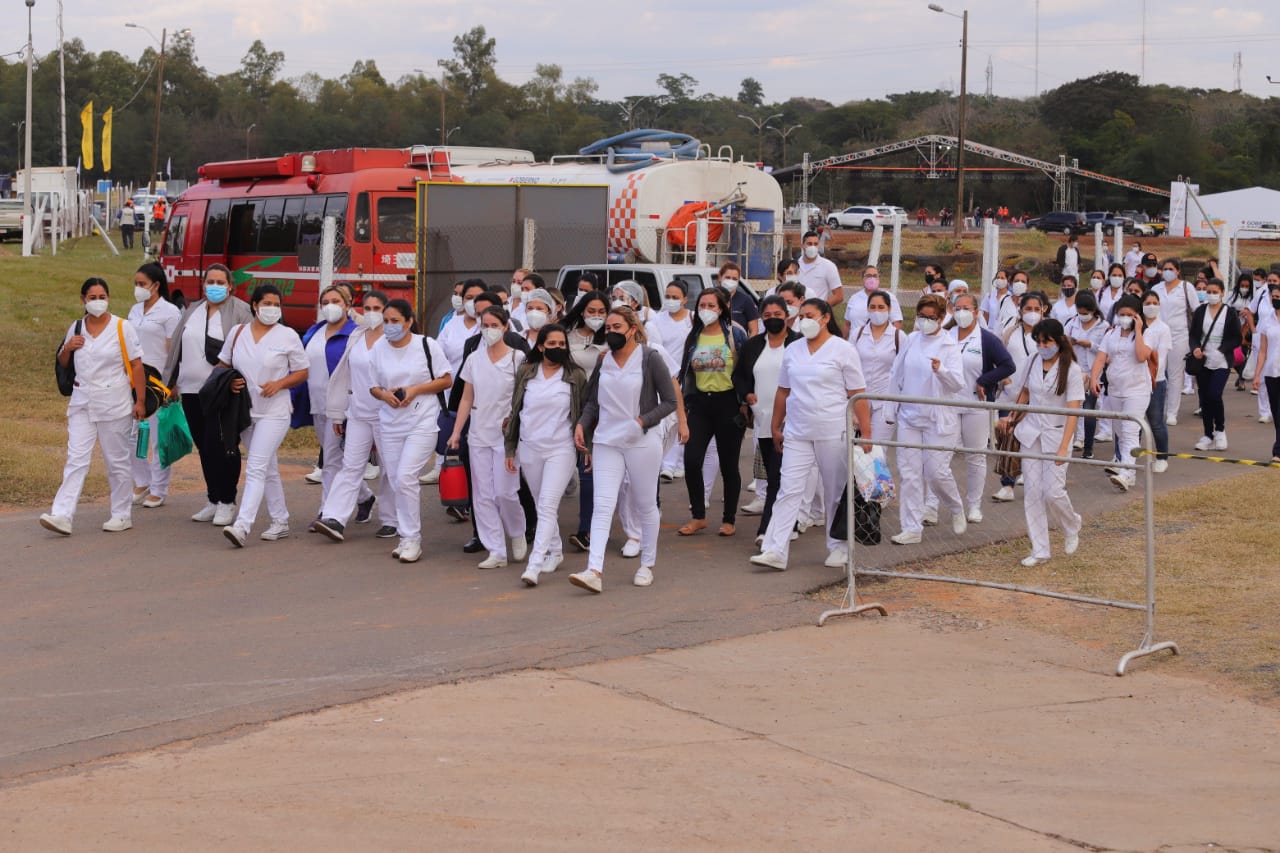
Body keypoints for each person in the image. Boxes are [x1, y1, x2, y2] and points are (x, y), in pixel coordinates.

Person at [748, 298, 870, 571]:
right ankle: (775, 549)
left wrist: (867, 431)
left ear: (826, 317)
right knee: (788, 489)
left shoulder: (843, 349)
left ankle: (839, 546)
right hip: (797, 431)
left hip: (833, 430)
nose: (804, 320)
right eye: (801, 315)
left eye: (810, 315)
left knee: (835, 490)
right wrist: (775, 425)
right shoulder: (793, 349)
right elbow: (783, 390)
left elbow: (857, 394)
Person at [570, 306, 679, 593]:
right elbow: (593, 402)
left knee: (645, 504)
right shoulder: (603, 360)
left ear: (632, 329)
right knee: (603, 504)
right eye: (608, 328)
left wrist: (643, 421)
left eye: (617, 327)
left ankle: (647, 564)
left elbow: (669, 402)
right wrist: (582, 424)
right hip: (607, 440)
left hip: (641, 441)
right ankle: (594, 570)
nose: (611, 332)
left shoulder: (650, 358)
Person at [40, 279, 148, 536]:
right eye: (92, 296)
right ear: (83, 300)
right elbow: (64, 362)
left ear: (108, 297)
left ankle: (121, 514)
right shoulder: (77, 327)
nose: (97, 301)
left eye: (102, 296)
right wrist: (68, 347)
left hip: (115, 402)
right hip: (82, 401)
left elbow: (136, 366)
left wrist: (141, 401)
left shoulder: (122, 327)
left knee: (116, 461)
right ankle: (62, 514)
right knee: (76, 459)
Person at [161, 264, 254, 526]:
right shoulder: (193, 310)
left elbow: (250, 349)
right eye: (209, 281)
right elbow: (177, 346)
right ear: (203, 284)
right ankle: (213, 498)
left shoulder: (240, 311)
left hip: (221, 389)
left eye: (219, 282)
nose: (214, 286)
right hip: (191, 389)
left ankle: (227, 500)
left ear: (230, 285)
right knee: (204, 446)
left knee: (223, 444)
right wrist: (170, 383)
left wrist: (239, 380)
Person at [218, 285, 309, 547]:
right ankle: (280, 520)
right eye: (266, 303)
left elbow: (302, 371)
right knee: (267, 468)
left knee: (256, 466)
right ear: (254, 306)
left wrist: (279, 384)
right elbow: (224, 365)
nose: (272, 308)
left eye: (276, 304)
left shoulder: (288, 335)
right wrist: (230, 383)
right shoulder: (237, 333)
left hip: (275, 412)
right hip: (244, 412)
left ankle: (242, 526)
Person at [360, 300, 451, 562]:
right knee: (396, 479)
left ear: (409, 321)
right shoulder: (378, 348)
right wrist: (384, 395)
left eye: (395, 321)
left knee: (406, 475)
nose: (389, 326)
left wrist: (415, 390)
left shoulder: (426, 345)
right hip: (390, 422)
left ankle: (412, 538)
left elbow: (446, 379)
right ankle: (404, 535)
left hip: (421, 421)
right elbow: (373, 385)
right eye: (386, 321)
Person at [504, 323, 587, 586]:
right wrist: (511, 447)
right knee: (542, 504)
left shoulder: (576, 375)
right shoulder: (527, 371)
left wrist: (588, 447)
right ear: (540, 346)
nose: (558, 349)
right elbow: (516, 409)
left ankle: (534, 564)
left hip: (560, 449)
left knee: (548, 504)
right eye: (552, 344)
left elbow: (586, 413)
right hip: (530, 447)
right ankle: (556, 550)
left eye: (562, 344)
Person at [314, 291, 398, 543]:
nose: (372, 312)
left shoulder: (394, 340)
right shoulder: (357, 336)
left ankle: (392, 520)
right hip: (358, 413)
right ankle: (334, 518)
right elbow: (345, 377)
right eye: (368, 307)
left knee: (389, 469)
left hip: (388, 416)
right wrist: (339, 414)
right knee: (350, 466)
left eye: (377, 308)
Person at [1000, 319, 1084, 566]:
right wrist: (1013, 416)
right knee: (1033, 492)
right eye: (1038, 341)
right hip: (1031, 433)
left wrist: (1063, 447)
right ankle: (1040, 549)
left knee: (1053, 492)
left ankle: (1071, 524)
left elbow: (1073, 411)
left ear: (1058, 341)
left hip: (1058, 435)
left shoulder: (1072, 370)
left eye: (1046, 341)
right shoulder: (1033, 361)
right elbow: (1025, 392)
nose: (1042, 346)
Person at [449, 306, 528, 569]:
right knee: (482, 495)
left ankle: (517, 532)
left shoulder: (518, 359)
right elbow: (466, 397)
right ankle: (495, 550)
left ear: (506, 327)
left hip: (506, 437)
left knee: (505, 492)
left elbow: (525, 398)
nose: (489, 330)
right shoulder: (474, 359)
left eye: (495, 325)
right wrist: (457, 432)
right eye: (485, 325)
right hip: (478, 434)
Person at [886, 294, 967, 544]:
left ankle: (955, 506)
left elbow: (957, 384)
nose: (925, 322)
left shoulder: (949, 346)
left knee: (935, 473)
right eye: (921, 317)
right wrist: (891, 408)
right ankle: (911, 527)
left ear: (942, 318)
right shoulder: (911, 340)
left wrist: (941, 370)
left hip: (937, 418)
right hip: (910, 416)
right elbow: (895, 374)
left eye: (931, 318)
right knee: (909, 473)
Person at [294, 285, 370, 526]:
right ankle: (365, 496)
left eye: (336, 301)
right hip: (317, 403)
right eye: (325, 301)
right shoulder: (314, 331)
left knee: (331, 460)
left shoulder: (357, 334)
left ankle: (328, 511)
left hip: (343, 407)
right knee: (336, 458)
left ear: (347, 305)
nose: (330, 306)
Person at [677, 287, 749, 538]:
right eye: (702, 305)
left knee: (729, 466)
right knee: (692, 461)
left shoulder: (735, 334)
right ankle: (698, 516)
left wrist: (745, 400)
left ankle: (729, 519)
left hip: (728, 404)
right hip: (699, 404)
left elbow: (744, 368)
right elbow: (684, 371)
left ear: (722, 308)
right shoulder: (694, 336)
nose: (706, 310)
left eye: (711, 305)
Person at [938, 292, 1015, 523]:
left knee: (976, 456)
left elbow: (1007, 365)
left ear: (976, 312)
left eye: (966, 308)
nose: (962, 312)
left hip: (976, 404)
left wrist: (985, 380)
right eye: (957, 308)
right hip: (947, 404)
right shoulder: (944, 336)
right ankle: (936, 506)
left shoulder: (986, 339)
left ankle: (974, 505)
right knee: (940, 458)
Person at [733, 296, 800, 544]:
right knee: (775, 477)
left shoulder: (798, 343)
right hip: (763, 420)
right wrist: (746, 394)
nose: (773, 318)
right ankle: (790, 523)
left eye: (777, 314)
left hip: (793, 421)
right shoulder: (752, 346)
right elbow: (739, 376)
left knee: (780, 476)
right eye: (767, 315)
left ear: (787, 315)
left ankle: (767, 529)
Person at [127, 263, 181, 509]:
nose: (138, 288)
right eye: (136, 284)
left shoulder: (170, 313)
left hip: (159, 381)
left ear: (156, 285)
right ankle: (142, 480)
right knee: (132, 435)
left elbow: (174, 351)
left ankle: (159, 488)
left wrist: (173, 384)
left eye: (142, 284)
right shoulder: (135, 310)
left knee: (158, 438)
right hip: (135, 379)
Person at [1090, 295, 1154, 492]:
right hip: (1116, 390)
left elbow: (1142, 356)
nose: (1124, 318)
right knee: (1119, 431)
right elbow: (1101, 358)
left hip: (1137, 390)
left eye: (1129, 315)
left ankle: (1127, 473)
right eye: (1121, 314)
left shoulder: (1146, 333)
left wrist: (1138, 330)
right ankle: (1128, 469)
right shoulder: (1111, 334)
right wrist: (1094, 378)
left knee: (1130, 430)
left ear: (1137, 315)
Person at [562, 291, 610, 551]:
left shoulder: (610, 339)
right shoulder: (567, 338)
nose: (596, 317)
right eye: (591, 311)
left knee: (589, 470)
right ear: (581, 311)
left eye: (601, 312)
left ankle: (587, 529)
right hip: (569, 406)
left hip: (600, 410)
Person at [993, 290, 1048, 501]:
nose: (1032, 313)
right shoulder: (1010, 333)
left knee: (1034, 439)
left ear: (1043, 310)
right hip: (1011, 394)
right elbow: (999, 359)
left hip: (1039, 397)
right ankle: (1007, 485)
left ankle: (1033, 478)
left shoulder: (1050, 334)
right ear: (1020, 310)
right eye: (1028, 309)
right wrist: (1005, 383)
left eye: (1037, 309)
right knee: (1007, 438)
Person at [1188, 279, 1243, 452]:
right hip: (1203, 361)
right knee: (1204, 396)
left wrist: (1223, 348)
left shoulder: (1230, 312)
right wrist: (1195, 348)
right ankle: (1207, 434)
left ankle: (1220, 430)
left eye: (1214, 291)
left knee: (1214, 394)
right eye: (1208, 291)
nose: (1211, 294)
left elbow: (1236, 338)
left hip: (1221, 361)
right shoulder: (1200, 311)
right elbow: (1194, 335)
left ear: (1222, 292)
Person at [850, 290, 905, 442]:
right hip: (859, 399)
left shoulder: (899, 336)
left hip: (885, 403)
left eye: (881, 307)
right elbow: (849, 368)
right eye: (872, 307)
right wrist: (854, 410)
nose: (876, 311)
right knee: (857, 451)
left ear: (889, 309)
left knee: (878, 451)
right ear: (867, 309)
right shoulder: (857, 334)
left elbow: (902, 372)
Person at [655, 281, 693, 480]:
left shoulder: (692, 319)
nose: (670, 301)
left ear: (685, 299)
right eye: (668, 296)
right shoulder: (657, 320)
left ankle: (678, 462)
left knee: (683, 416)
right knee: (669, 416)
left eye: (675, 297)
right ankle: (667, 464)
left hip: (686, 375)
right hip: (665, 374)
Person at [1064, 292, 1109, 458]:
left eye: (1085, 313)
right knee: (1074, 407)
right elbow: (1062, 340)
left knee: (1089, 408)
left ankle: (1088, 447)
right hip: (1075, 371)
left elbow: (1106, 350)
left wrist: (1090, 344)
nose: (1082, 316)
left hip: (1093, 373)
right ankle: (1077, 438)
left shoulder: (1103, 326)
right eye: (1080, 312)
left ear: (1093, 310)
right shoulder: (1072, 323)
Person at [1153, 258, 1197, 426]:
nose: (1167, 272)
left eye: (1171, 269)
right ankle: (1156, 408)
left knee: (1175, 375)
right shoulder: (1156, 289)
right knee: (1157, 372)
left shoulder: (1186, 288)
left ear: (1178, 271)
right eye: (1164, 269)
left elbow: (1196, 310)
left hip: (1180, 336)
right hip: (1159, 336)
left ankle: (1171, 412)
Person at [1251, 282, 1280, 460]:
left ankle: (1278, 451)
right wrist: (1257, 375)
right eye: (1274, 297)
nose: (1276, 299)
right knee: (1276, 413)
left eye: (1279, 296)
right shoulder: (1267, 320)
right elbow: (1262, 350)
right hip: (1271, 372)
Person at [438, 279, 487, 375]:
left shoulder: (492, 325)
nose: (473, 302)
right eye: (469, 297)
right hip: (452, 386)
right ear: (463, 300)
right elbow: (437, 355)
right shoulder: (451, 324)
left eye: (478, 298)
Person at [843, 265, 904, 334]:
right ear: (862, 278)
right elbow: (847, 324)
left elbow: (897, 322)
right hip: (855, 341)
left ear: (879, 278)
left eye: (875, 276)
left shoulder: (889, 297)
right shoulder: (854, 298)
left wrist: (891, 340)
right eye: (868, 276)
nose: (872, 279)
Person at [796, 230, 844, 309]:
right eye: (809, 244)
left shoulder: (828, 266)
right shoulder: (795, 265)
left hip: (817, 317)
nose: (813, 247)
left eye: (815, 244)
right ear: (802, 245)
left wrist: (820, 308)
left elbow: (839, 296)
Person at [717, 261, 760, 335]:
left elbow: (754, 330)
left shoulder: (746, 300)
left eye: (734, 279)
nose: (731, 281)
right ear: (720, 277)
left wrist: (748, 346)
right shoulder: (710, 297)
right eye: (727, 277)